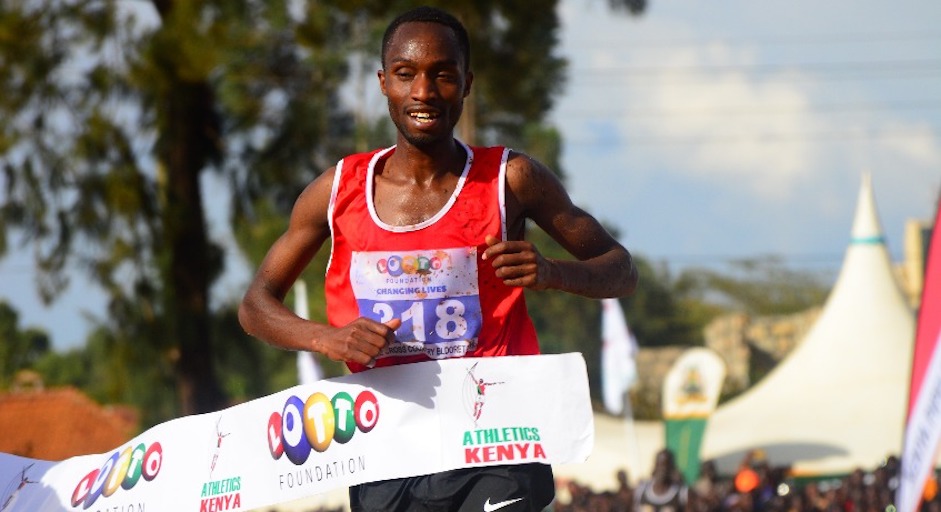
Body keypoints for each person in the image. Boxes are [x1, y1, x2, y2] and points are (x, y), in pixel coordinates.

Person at [238, 5, 638, 511]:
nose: (423, 92)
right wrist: (328, 337)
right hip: (387, 445)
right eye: (406, 75)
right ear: (384, 82)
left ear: (466, 83)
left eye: (442, 75)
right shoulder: (336, 192)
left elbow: (621, 269)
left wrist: (555, 272)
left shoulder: (510, 180)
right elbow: (254, 305)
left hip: (497, 437)